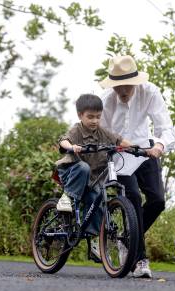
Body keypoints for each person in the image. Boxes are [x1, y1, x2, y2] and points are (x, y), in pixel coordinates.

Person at [99, 55, 175, 278]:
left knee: (158, 201)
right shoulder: (105, 100)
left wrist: (161, 146)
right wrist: (116, 141)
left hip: (144, 150)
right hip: (120, 155)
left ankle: (127, 240)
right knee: (132, 196)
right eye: (117, 85)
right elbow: (100, 132)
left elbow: (166, 128)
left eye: (126, 84)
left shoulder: (150, 92)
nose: (122, 89)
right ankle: (140, 260)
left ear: (135, 81)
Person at [55, 94, 132, 262]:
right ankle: (66, 198)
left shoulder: (102, 132)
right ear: (80, 115)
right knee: (84, 167)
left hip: (91, 180)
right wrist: (72, 147)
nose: (94, 121)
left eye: (98, 117)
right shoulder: (77, 130)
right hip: (72, 173)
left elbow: (118, 140)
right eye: (90, 117)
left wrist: (136, 148)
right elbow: (63, 141)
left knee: (98, 198)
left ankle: (94, 240)